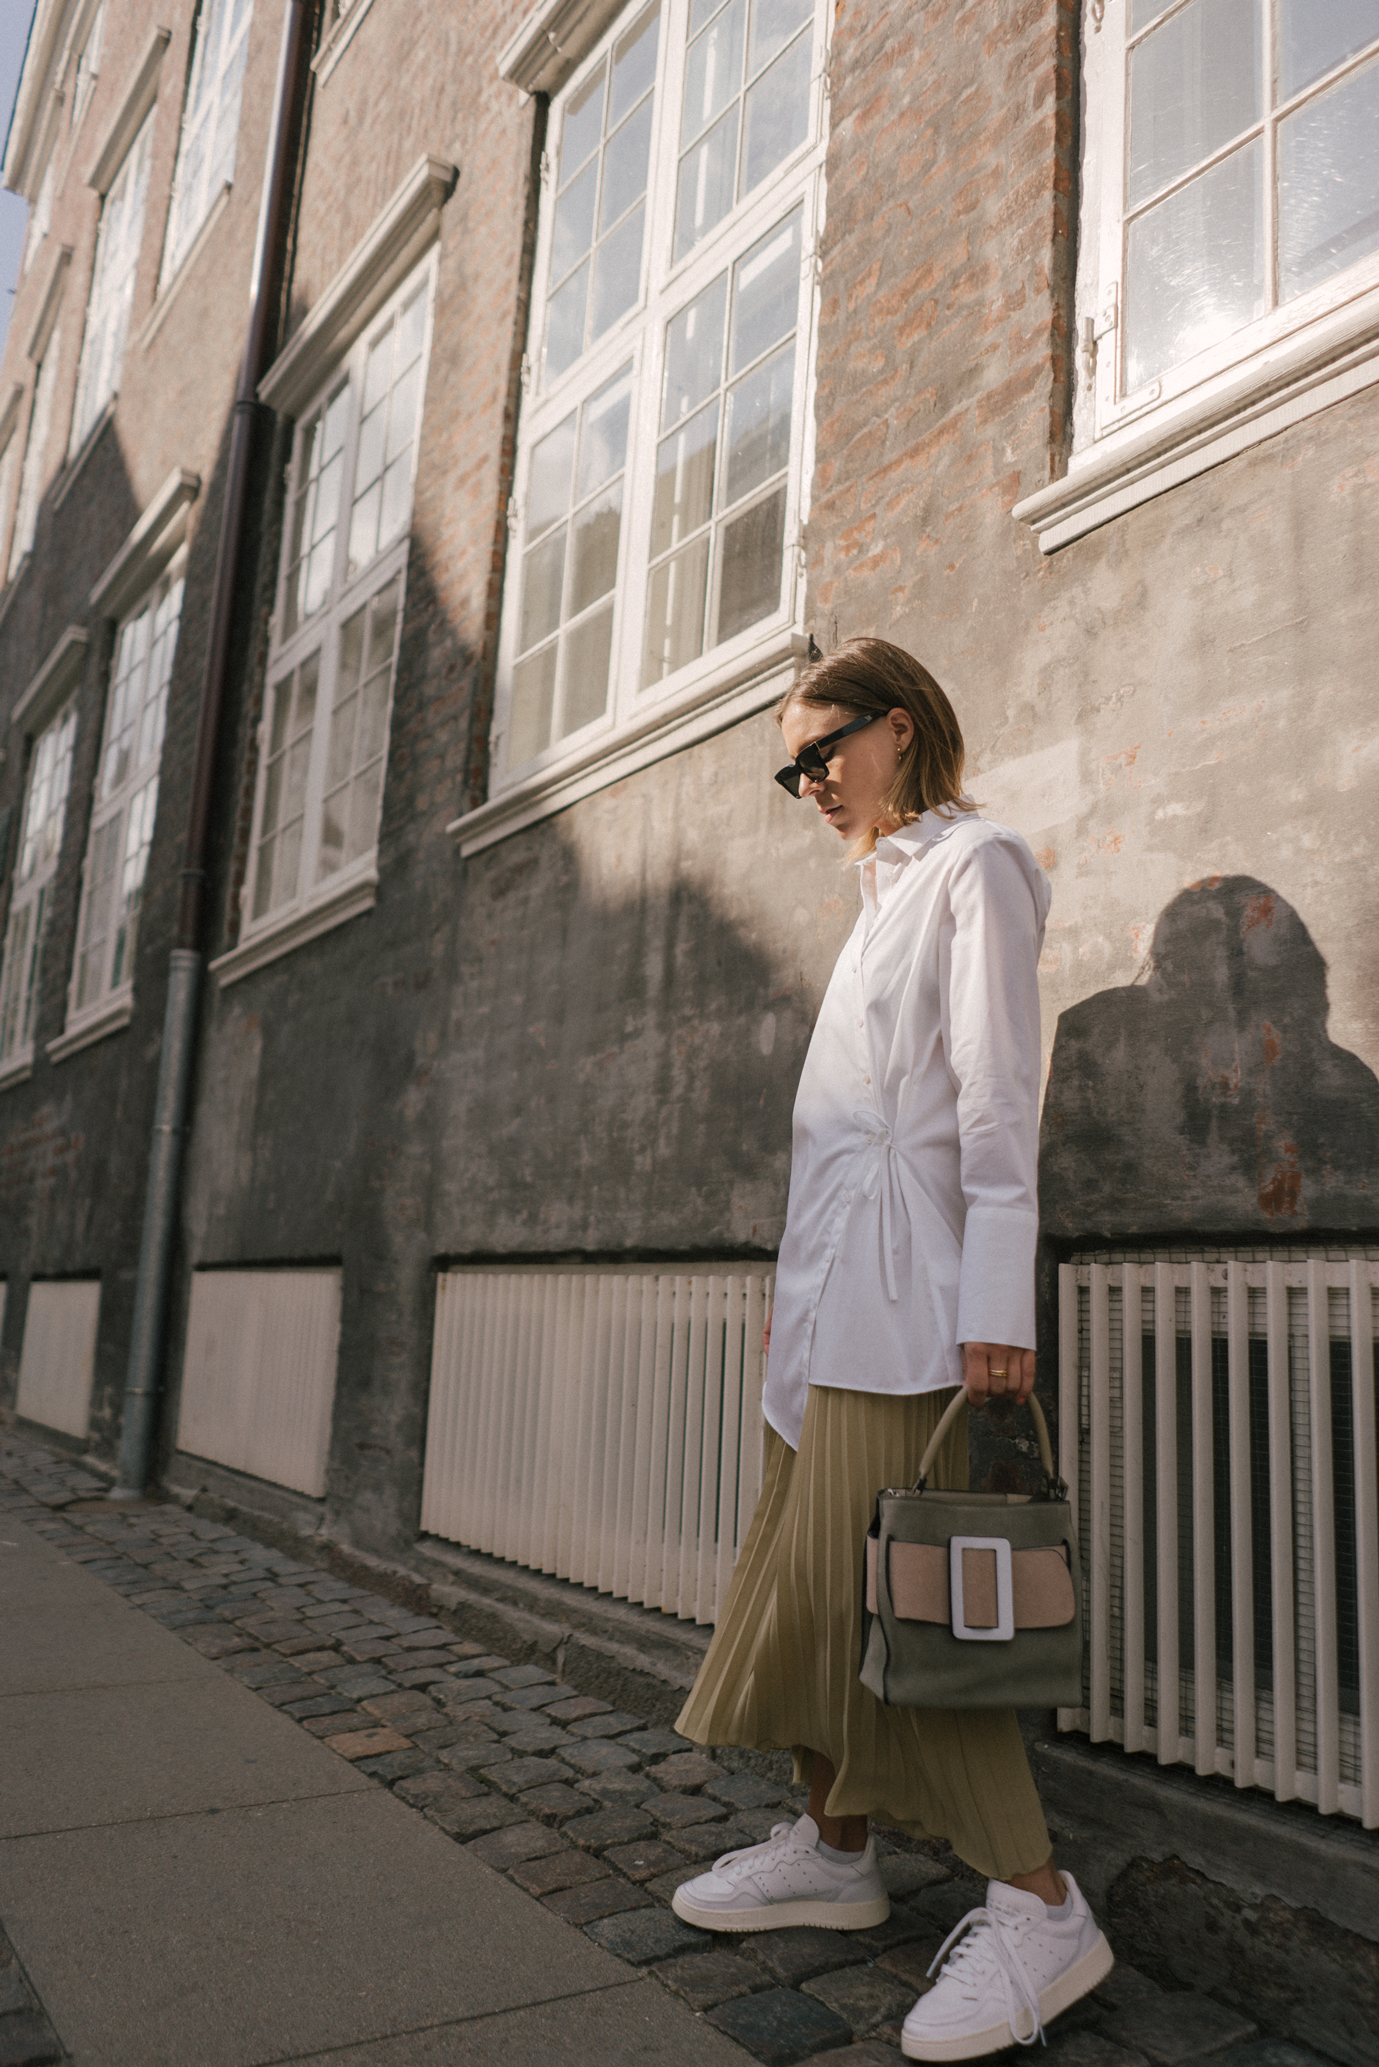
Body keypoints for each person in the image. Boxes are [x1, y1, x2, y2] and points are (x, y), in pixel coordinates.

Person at [670, 640, 1113, 2058]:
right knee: (805, 1598)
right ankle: (836, 1845)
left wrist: (997, 1303)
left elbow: (995, 1106)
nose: (807, 783)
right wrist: (787, 1297)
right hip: (824, 1312)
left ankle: (1041, 1908)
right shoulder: (879, 897)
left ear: (901, 731)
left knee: (913, 1616)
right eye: (792, 766)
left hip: (913, 1312)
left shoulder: (974, 869)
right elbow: (842, 1133)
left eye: (824, 754)